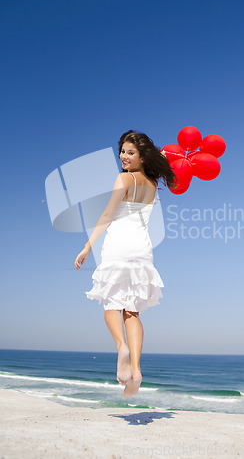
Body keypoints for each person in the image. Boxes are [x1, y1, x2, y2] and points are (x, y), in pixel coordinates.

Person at [74, 130, 177, 399]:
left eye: (130, 152)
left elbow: (108, 214)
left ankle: (121, 348)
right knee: (133, 312)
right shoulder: (153, 183)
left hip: (118, 244)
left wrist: (87, 246)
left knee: (110, 304)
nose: (123, 156)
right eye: (122, 151)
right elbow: (161, 160)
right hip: (142, 249)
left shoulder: (124, 178)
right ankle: (137, 369)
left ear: (142, 157)